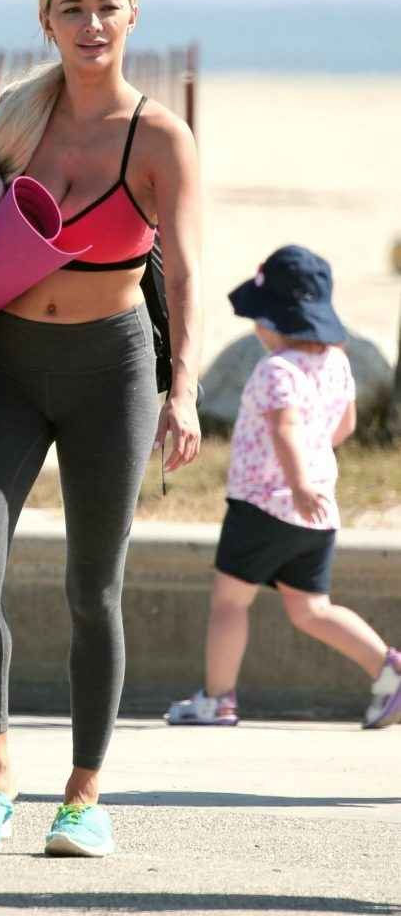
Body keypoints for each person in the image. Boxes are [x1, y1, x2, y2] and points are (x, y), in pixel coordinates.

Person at [0, 0, 203, 856]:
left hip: (111, 370)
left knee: (90, 588)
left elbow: (185, 271)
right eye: (71, 8)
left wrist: (181, 387)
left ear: (131, 17)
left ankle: (82, 795)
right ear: (46, 22)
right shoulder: (15, 119)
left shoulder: (157, 138)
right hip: (10, 364)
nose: (90, 23)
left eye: (106, 6)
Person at [165, 245, 401, 731]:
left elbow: (285, 429)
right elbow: (345, 424)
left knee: (231, 602)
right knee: (312, 609)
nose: (257, 327)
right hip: (317, 512)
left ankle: (217, 699)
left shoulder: (276, 370)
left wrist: (294, 482)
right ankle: (389, 668)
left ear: (277, 320)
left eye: (261, 317)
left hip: (263, 506)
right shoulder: (338, 362)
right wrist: (313, 467)